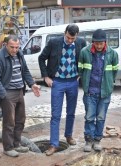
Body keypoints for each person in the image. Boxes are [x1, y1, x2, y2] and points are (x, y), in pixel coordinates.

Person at [38, 24, 86, 156]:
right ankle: (54, 144)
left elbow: (85, 59)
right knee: (56, 114)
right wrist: (46, 76)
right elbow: (41, 58)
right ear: (65, 33)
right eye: (68, 37)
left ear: (77, 35)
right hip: (57, 82)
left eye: (73, 38)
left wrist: (80, 74)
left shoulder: (81, 43)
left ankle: (69, 136)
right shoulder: (54, 42)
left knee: (71, 112)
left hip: (73, 82)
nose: (70, 40)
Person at [0, 35, 40, 157]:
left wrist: (32, 84)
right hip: (7, 92)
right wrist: (4, 95)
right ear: (5, 45)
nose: (14, 50)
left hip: (19, 91)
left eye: (17, 47)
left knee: (20, 119)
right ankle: (8, 147)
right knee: (9, 122)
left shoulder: (19, 54)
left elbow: (25, 71)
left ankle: (17, 144)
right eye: (12, 47)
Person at [78, 29, 119, 152]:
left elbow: (114, 71)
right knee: (90, 117)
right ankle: (88, 140)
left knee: (101, 117)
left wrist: (108, 84)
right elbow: (80, 69)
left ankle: (97, 140)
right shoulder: (85, 52)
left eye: (101, 43)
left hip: (104, 93)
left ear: (105, 42)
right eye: (97, 43)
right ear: (93, 42)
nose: (99, 46)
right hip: (90, 92)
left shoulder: (112, 54)